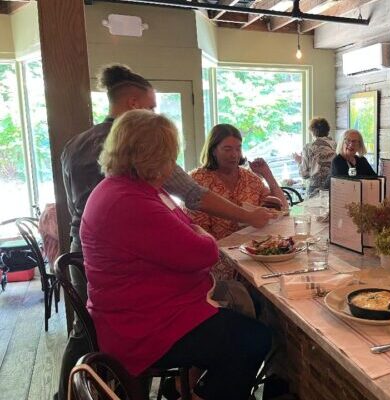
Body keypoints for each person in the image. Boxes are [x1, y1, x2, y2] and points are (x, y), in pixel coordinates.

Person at [56, 64, 274, 400]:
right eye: (168, 156)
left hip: (138, 301)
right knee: (254, 337)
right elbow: (203, 249)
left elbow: (186, 227)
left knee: (81, 334)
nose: (171, 164)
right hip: (143, 324)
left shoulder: (118, 178)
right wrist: (200, 233)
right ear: (149, 156)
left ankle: (185, 388)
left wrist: (194, 231)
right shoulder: (130, 199)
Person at [185, 124, 288, 240]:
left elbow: (283, 210)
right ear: (213, 150)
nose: (234, 154)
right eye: (227, 149)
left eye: (238, 148)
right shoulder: (198, 180)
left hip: (253, 245)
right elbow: (198, 231)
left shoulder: (250, 178)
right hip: (217, 247)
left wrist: (268, 175)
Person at [292, 117, 336, 196]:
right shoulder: (336, 145)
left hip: (315, 189)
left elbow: (304, 174)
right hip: (333, 187)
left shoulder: (308, 147)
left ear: (312, 132)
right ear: (327, 130)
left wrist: (299, 161)